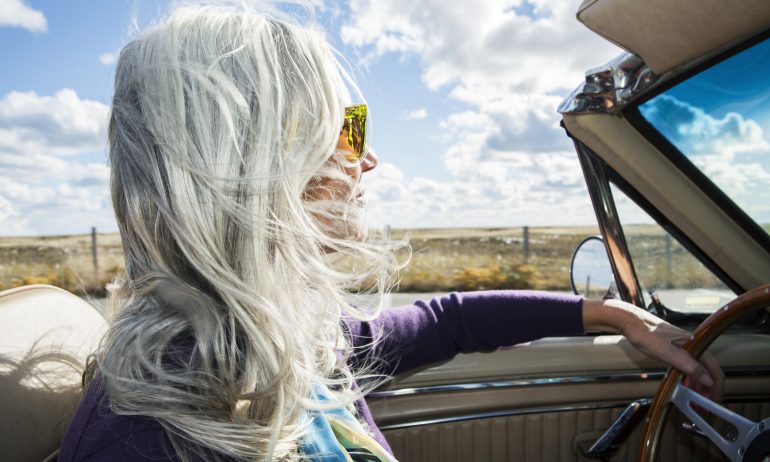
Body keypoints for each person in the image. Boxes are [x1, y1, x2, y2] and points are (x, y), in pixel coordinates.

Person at [58, 3, 723, 461]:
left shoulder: (286, 341)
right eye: (345, 130)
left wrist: (611, 314)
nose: (367, 156)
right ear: (256, 163)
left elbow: (444, 320)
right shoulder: (142, 439)